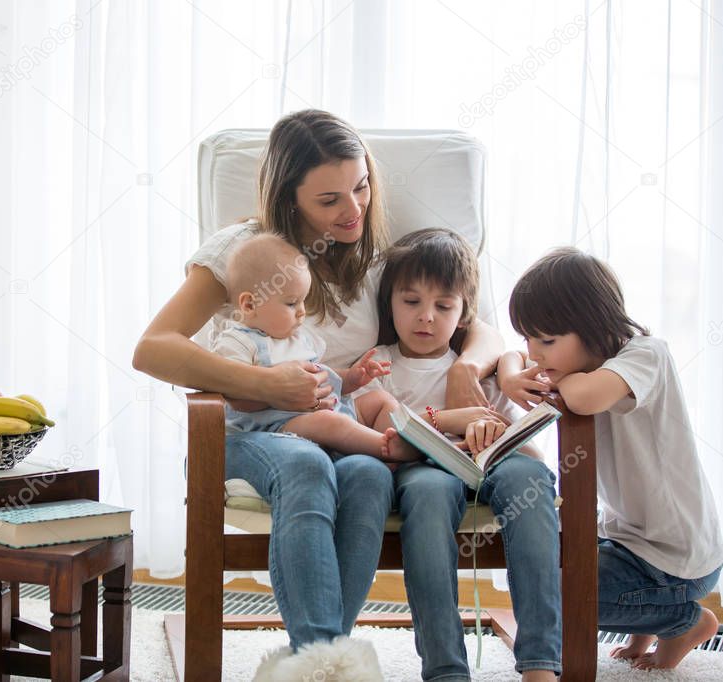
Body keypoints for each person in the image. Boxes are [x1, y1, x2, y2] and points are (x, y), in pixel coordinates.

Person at [132, 108, 504, 680]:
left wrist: (467, 370)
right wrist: (264, 382)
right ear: (289, 198)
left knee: (370, 475)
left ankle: (321, 658)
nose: (352, 210)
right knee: (307, 463)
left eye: (360, 188)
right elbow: (153, 347)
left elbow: (478, 323)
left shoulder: (371, 253)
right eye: (329, 200)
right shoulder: (247, 251)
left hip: (341, 421)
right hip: (248, 428)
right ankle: (326, 663)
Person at [502, 247, 723, 671]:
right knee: (542, 569)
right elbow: (508, 359)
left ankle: (685, 622)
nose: (534, 354)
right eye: (528, 339)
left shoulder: (645, 354)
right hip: (631, 540)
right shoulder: (593, 360)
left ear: (595, 328)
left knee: (565, 594)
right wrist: (512, 375)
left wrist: (561, 378)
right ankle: (645, 630)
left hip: (676, 560)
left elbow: (584, 399)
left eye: (546, 341)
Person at [368, 228, 561, 682]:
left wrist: (495, 427)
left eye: (443, 306)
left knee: (530, 482)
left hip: (495, 463)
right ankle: (445, 668)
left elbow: (528, 448)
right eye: (411, 302)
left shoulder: (486, 365)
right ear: (390, 303)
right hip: (423, 469)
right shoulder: (378, 363)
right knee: (429, 495)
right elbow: (388, 438)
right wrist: (453, 420)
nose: (426, 318)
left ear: (463, 313)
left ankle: (541, 664)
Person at [215, 232, 407, 461]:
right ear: (249, 304)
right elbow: (234, 397)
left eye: (303, 300)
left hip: (330, 414)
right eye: (291, 302)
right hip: (277, 427)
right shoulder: (237, 342)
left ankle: (400, 443)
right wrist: (276, 394)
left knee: (379, 399)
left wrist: (352, 378)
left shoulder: (300, 338)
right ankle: (383, 448)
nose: (302, 311)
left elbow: (322, 379)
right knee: (329, 422)